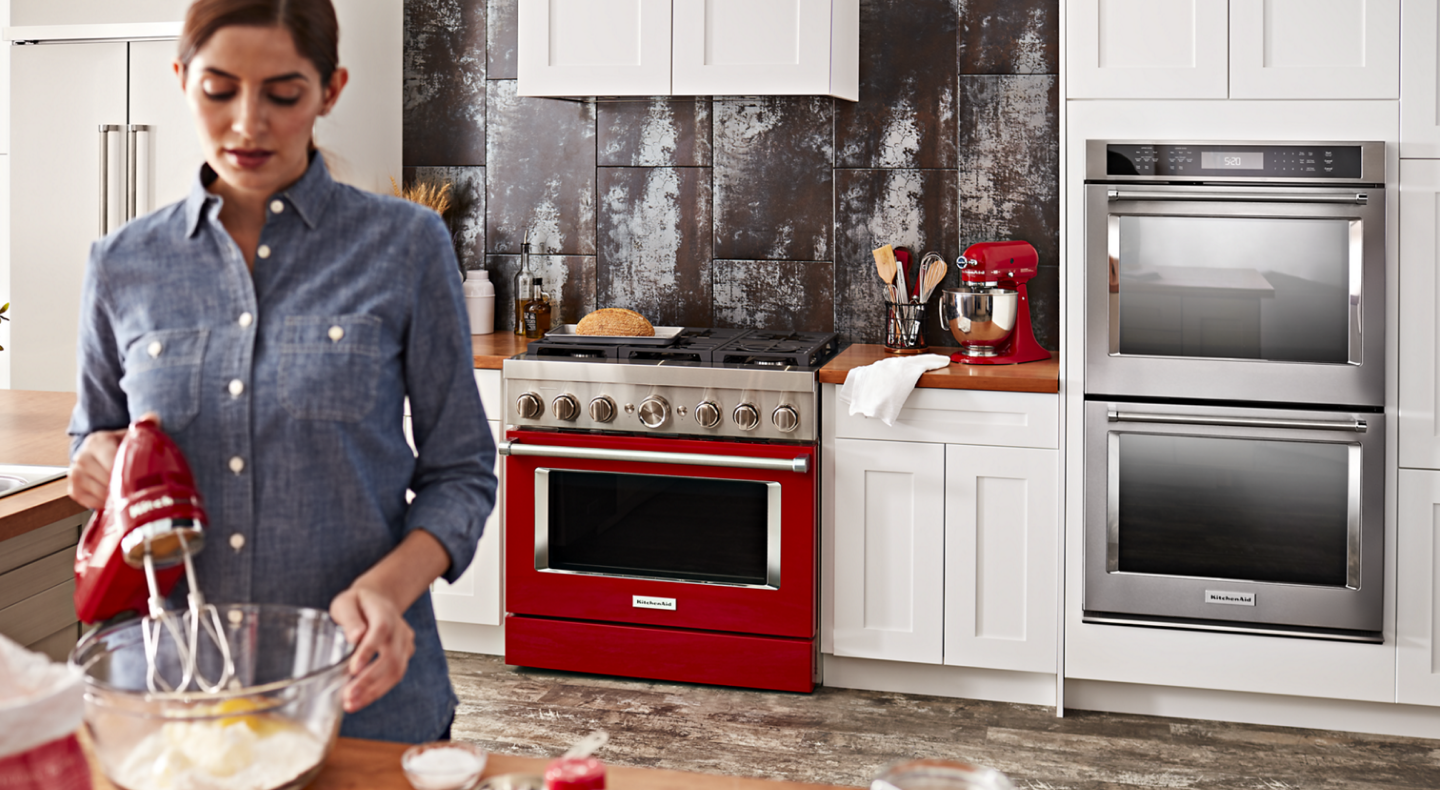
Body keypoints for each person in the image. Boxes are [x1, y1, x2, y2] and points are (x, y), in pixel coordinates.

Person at [65, 0, 497, 744]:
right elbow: (93, 439)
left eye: (284, 93)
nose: (248, 123)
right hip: (178, 699)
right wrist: (95, 460)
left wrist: (387, 593)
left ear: (330, 90)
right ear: (182, 79)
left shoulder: (406, 246)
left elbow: (461, 470)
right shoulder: (122, 265)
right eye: (220, 89)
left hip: (365, 697)